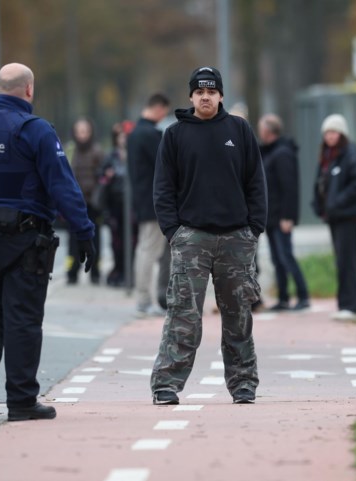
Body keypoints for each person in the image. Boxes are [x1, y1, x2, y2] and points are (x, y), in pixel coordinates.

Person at [0, 63, 96, 421]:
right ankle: (20, 401)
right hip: (23, 236)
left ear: (0, 88)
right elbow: (62, 185)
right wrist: (84, 232)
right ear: (29, 90)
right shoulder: (35, 131)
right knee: (22, 318)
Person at [150, 66, 267, 405]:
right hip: (192, 239)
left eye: (211, 91)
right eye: (199, 92)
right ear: (190, 96)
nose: (205, 97)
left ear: (220, 96)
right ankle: (166, 384)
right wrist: (174, 232)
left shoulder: (239, 130)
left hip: (236, 239)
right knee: (183, 315)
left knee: (238, 316)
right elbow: (163, 189)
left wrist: (253, 229)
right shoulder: (174, 135)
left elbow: (256, 183)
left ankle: (243, 382)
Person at [312, 114, 356, 321]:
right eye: (326, 132)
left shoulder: (351, 154)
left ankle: (352, 305)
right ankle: (344, 303)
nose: (329, 136)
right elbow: (320, 183)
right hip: (335, 217)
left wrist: (337, 202)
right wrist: (318, 204)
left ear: (342, 133)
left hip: (349, 217)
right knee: (341, 261)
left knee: (348, 261)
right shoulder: (328, 155)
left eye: (333, 132)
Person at [257, 113, 310, 311]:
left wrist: (288, 217)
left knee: (286, 256)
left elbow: (289, 188)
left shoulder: (282, 154)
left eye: (262, 128)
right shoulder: (270, 153)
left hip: (281, 217)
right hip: (271, 217)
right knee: (277, 258)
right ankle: (284, 297)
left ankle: (303, 295)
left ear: (268, 131)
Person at [128, 93, 171, 316]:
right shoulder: (150, 134)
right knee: (149, 250)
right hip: (154, 200)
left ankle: (145, 298)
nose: (164, 116)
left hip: (142, 198)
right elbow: (164, 166)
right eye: (164, 111)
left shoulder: (135, 133)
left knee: (145, 248)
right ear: (159, 108)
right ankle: (145, 299)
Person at [66, 117, 105, 285]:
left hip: (92, 204)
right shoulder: (70, 150)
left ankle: (95, 272)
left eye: (85, 131)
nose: (82, 135)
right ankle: (72, 272)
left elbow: (103, 178)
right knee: (72, 240)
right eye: (79, 131)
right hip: (74, 204)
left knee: (95, 239)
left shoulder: (97, 151)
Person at [98, 121, 136, 287]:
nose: (123, 139)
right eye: (121, 136)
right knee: (116, 242)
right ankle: (118, 271)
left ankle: (130, 272)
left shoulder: (135, 155)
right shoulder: (111, 157)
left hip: (132, 206)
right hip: (115, 206)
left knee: (133, 241)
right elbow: (101, 179)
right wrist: (108, 176)